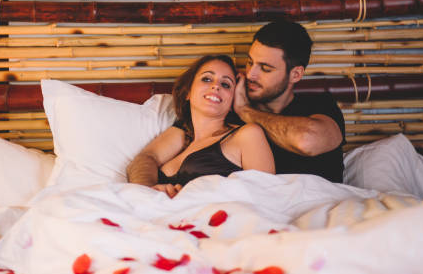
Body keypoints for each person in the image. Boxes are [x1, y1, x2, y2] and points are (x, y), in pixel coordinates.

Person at [127, 55, 275, 198]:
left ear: (232, 101)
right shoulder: (182, 133)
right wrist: (148, 192)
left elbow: (265, 195)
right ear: (188, 93)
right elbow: (145, 158)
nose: (216, 86)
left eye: (225, 84)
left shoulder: (247, 135)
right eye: (207, 79)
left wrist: (191, 196)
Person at [233, 21, 346, 182]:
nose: (251, 74)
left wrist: (245, 111)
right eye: (250, 62)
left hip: (322, 203)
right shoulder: (232, 112)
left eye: (266, 68)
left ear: (296, 74)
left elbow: (306, 141)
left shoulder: (320, 105)